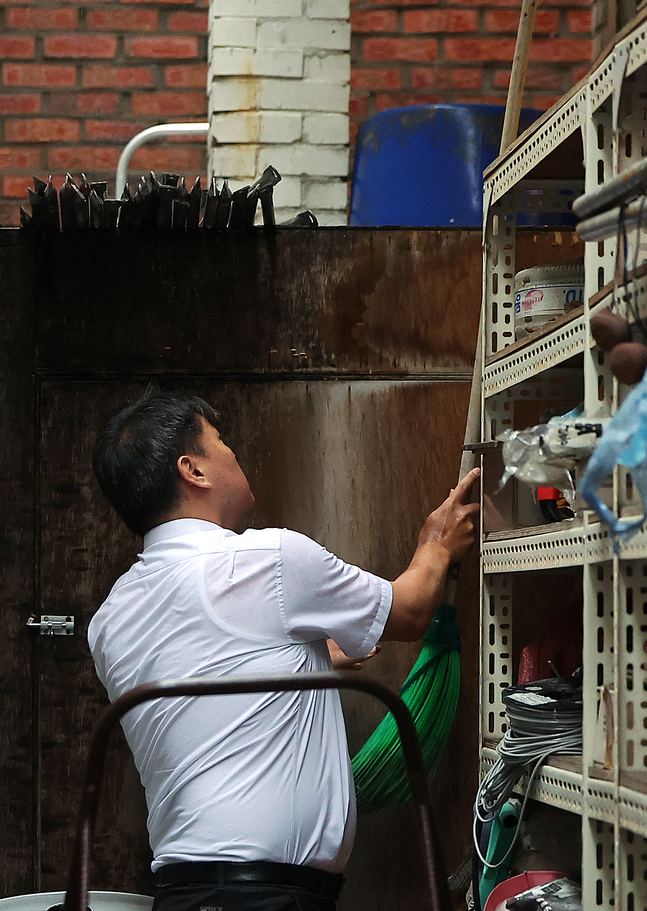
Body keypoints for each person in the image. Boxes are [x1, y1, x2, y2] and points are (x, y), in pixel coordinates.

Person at [87, 390, 479, 911]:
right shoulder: (268, 559)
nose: (232, 453)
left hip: (183, 895)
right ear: (193, 470)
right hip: (265, 899)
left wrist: (303, 661)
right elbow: (409, 612)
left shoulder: (111, 618)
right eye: (220, 442)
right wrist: (437, 542)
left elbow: (202, 688)